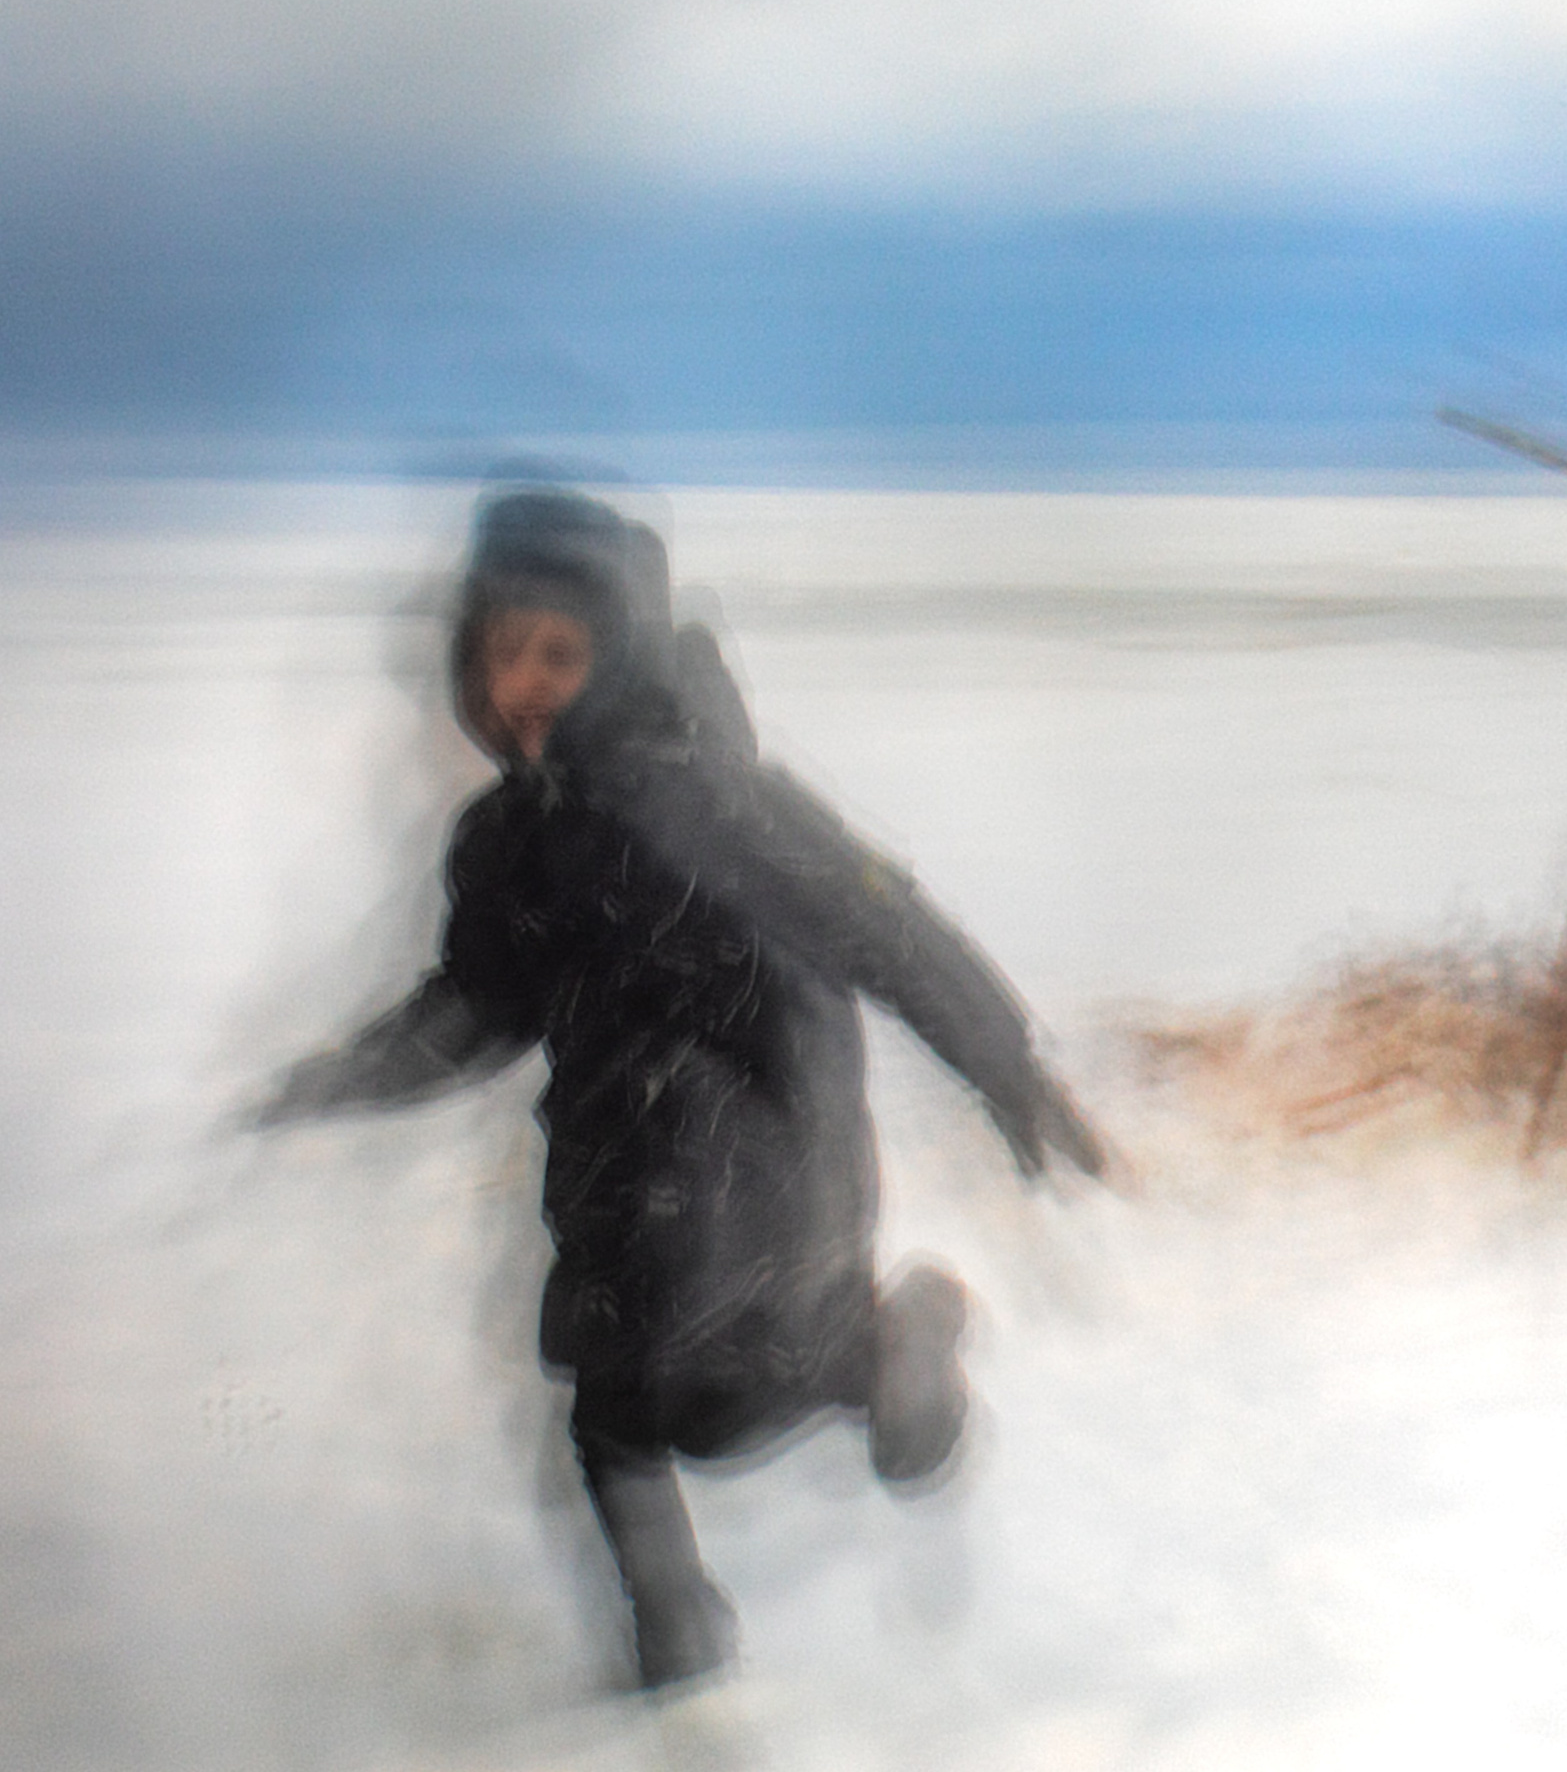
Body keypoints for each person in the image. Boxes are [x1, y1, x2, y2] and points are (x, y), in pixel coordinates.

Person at [261, 485, 1109, 1690]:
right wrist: (338, 1081)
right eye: (503, 652)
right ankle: (675, 1633)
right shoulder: (507, 842)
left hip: (768, 1162)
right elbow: (479, 1006)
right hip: (618, 1191)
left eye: (561, 651)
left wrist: (1008, 1068)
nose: (526, 684)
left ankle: (909, 1339)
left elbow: (891, 930)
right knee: (614, 1418)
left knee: (741, 1386)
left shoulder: (722, 795)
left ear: (624, 650)